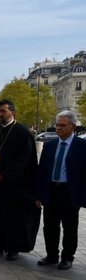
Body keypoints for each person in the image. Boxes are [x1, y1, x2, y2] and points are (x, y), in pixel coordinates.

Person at [0, 99, 39, 261]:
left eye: (3, 111)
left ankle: (13, 248)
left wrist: (4, 175)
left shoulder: (22, 133)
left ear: (12, 112)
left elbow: (24, 160)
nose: (0, 114)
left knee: (14, 218)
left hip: (14, 185)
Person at [35, 110, 86, 270]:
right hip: (51, 190)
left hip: (69, 192)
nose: (58, 128)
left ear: (73, 126)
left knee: (70, 227)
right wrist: (38, 195)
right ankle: (51, 255)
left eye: (62, 125)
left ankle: (67, 257)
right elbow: (42, 171)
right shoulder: (49, 146)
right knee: (50, 226)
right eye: (57, 125)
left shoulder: (81, 146)